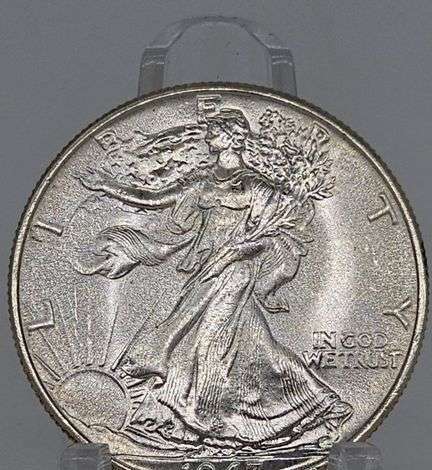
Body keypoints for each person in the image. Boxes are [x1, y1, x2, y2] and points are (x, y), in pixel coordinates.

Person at [76, 108, 352, 450]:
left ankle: (209, 421)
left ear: (233, 137)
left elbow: (275, 236)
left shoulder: (258, 187)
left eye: (215, 131)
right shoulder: (202, 181)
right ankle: (310, 406)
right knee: (251, 347)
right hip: (204, 271)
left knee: (209, 346)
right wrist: (108, 185)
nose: (208, 136)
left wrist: (237, 252)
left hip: (234, 273)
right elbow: (155, 200)